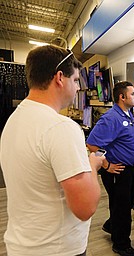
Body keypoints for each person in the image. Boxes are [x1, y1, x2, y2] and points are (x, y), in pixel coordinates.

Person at [0, 45, 104, 256]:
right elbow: (86, 208)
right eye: (75, 80)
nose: (77, 88)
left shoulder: (15, 120)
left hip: (22, 245)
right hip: (57, 249)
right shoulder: (61, 127)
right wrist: (92, 166)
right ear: (59, 78)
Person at [86, 81, 134, 256]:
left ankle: (112, 224)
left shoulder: (127, 114)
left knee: (127, 198)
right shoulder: (111, 118)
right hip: (117, 170)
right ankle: (121, 244)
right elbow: (92, 143)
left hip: (129, 168)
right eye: (132, 94)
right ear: (122, 97)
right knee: (122, 207)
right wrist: (106, 165)